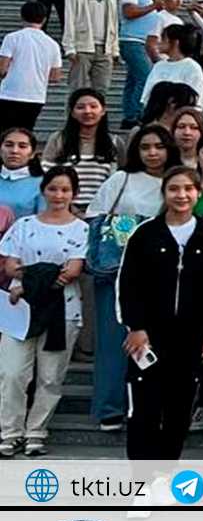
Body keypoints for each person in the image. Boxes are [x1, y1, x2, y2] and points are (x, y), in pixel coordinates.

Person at [116, 166, 203, 459]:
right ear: (164, 193)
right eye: (174, 189)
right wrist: (136, 326)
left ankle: (164, 480)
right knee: (143, 411)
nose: (182, 195)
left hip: (191, 338)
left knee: (178, 413)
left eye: (188, 189)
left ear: (198, 193)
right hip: (149, 337)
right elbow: (128, 284)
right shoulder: (145, 234)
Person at [88, 124, 175, 430]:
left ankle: (150, 407)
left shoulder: (176, 182)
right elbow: (95, 216)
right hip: (116, 271)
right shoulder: (121, 179)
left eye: (159, 146)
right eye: (145, 147)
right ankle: (110, 407)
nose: (152, 153)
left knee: (159, 343)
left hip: (163, 273)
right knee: (113, 343)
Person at [0, 169, 88, 458]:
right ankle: (9, 432)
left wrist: (32, 274)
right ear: (44, 191)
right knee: (12, 372)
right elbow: (10, 265)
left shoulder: (82, 229)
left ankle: (36, 431)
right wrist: (40, 274)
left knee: (50, 376)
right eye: (53, 189)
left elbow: (72, 271)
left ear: (73, 193)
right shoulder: (24, 225)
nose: (58, 196)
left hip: (62, 308)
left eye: (65, 190)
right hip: (20, 308)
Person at [0, 2, 64, 132]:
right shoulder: (52, 44)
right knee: (26, 132)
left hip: (10, 93)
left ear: (22, 17)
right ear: (44, 19)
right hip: (36, 96)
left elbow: (2, 68)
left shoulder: (12, 38)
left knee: (5, 132)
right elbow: (55, 77)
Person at [62, 0, 118, 98]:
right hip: (82, 47)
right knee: (77, 90)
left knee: (101, 91)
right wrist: (69, 48)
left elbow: (114, 24)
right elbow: (69, 21)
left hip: (105, 49)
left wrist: (115, 50)